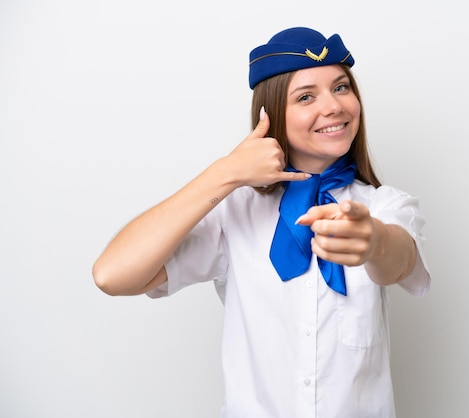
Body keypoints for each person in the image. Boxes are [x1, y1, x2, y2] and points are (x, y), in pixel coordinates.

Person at [93, 26, 431, 418]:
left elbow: (401, 260)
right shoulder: (232, 213)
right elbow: (111, 274)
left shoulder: (385, 205)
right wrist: (223, 174)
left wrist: (373, 241)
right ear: (271, 115)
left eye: (341, 87)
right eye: (306, 96)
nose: (335, 106)